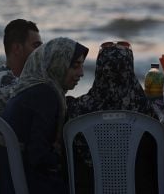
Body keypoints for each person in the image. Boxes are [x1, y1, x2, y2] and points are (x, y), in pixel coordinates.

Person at [0, 37, 89, 194]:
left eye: (82, 66)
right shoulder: (45, 95)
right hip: (19, 178)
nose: (81, 73)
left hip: (7, 171)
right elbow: (38, 155)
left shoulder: (33, 87)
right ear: (57, 65)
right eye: (75, 66)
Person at [66, 41, 158, 194]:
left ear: (100, 68)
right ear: (130, 68)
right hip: (139, 188)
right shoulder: (147, 113)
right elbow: (161, 166)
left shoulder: (76, 110)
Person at [0, 19, 42, 114]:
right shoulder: (5, 84)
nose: (41, 51)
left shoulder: (5, 78)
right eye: (36, 46)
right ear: (17, 48)